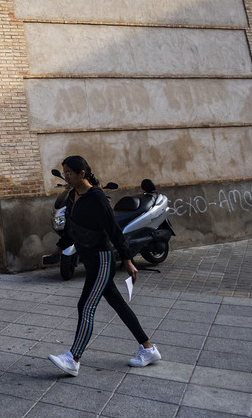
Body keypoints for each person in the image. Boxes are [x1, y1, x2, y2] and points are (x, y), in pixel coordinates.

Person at [48, 155, 160, 376]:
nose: (66, 176)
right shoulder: (73, 196)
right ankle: (148, 348)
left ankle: (73, 358)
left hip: (102, 259)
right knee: (119, 304)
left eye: (70, 172)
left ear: (82, 174)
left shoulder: (97, 197)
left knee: (86, 305)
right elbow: (72, 227)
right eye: (65, 172)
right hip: (90, 259)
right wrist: (60, 247)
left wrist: (127, 260)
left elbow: (113, 229)